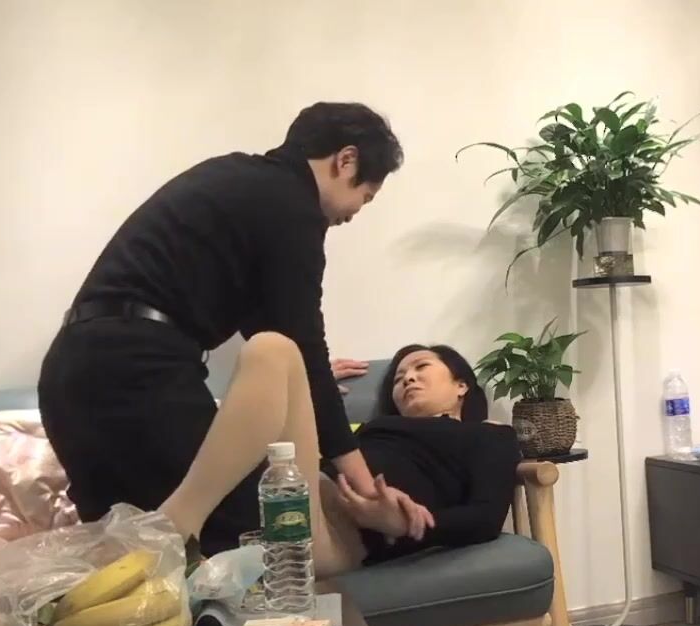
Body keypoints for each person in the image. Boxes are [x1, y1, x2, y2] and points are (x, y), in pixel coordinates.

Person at [38, 102, 429, 556]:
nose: (357, 211)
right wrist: (366, 487)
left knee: (125, 554)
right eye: (367, 195)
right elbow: (299, 343)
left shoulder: (236, 182)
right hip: (134, 372)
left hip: (71, 372)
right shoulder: (292, 206)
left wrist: (302, 385)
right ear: (346, 160)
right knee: (247, 534)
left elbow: (279, 341)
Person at [311, 344, 521, 575]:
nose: (408, 378)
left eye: (421, 366)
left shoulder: (486, 433)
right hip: (304, 491)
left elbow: (486, 517)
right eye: (398, 379)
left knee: (283, 352)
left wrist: (405, 524)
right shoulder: (372, 428)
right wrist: (315, 391)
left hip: (339, 534)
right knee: (286, 357)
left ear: (461, 385)